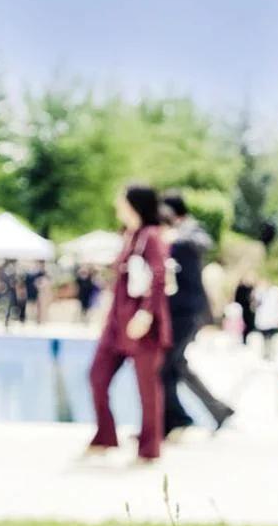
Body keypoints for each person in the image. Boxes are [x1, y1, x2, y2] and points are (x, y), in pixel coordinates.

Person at [87, 183, 171, 462]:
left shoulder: (151, 237)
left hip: (141, 326)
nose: (117, 206)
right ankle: (105, 435)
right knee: (97, 376)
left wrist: (146, 313)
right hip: (117, 326)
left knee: (147, 389)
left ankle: (149, 449)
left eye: (122, 201)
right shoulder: (129, 236)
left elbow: (158, 276)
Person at [159, 193, 233, 437]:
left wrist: (175, 237)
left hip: (188, 311)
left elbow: (203, 242)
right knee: (177, 365)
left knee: (168, 364)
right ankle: (217, 411)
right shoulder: (173, 235)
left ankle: (178, 419)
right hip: (182, 310)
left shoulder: (188, 232)